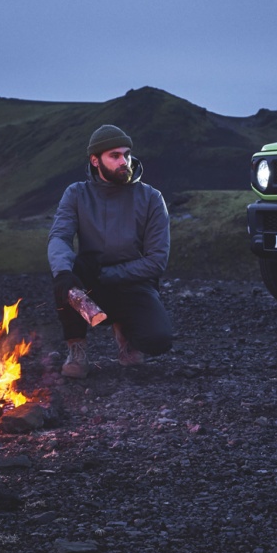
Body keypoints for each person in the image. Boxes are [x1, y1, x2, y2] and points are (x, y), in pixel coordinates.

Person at [48, 124, 173, 378]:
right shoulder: (77, 193)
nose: (124, 161)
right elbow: (59, 236)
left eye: (126, 154)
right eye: (114, 156)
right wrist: (63, 271)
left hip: (134, 281)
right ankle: (76, 348)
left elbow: (157, 260)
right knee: (65, 275)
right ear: (95, 160)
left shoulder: (151, 198)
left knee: (158, 340)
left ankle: (125, 335)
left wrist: (108, 274)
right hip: (89, 280)